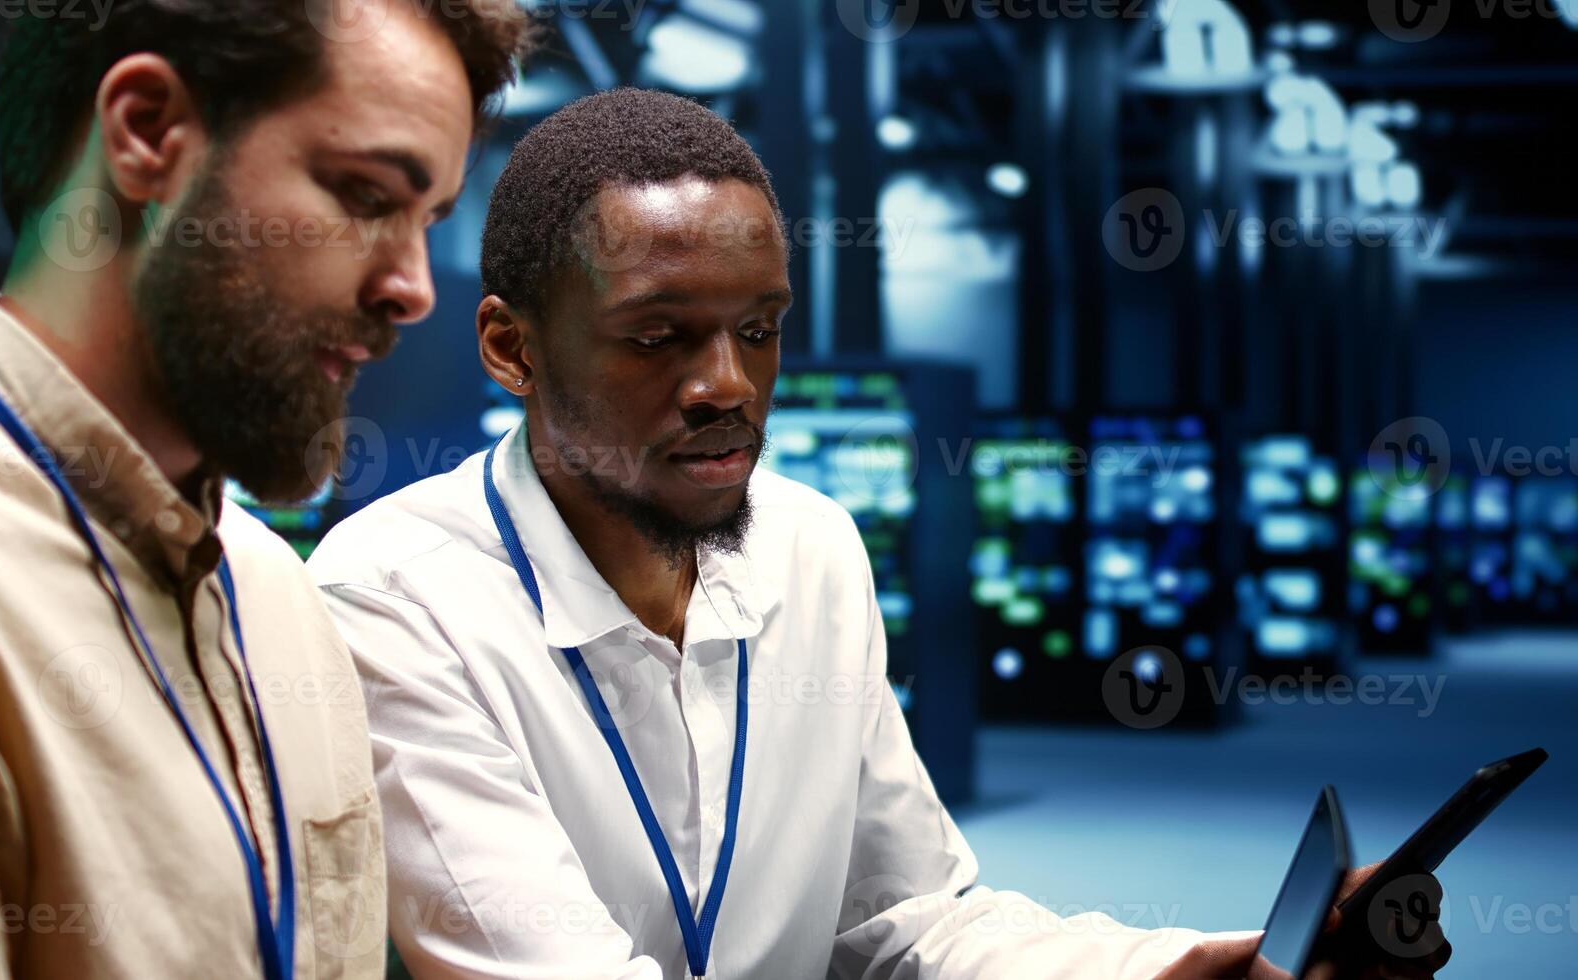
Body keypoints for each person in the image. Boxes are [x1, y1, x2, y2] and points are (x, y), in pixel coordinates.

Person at [308, 88, 1448, 979]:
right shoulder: (394, 594)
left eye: (758, 330)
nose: (727, 385)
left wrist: (1183, 963)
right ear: (509, 347)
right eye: (658, 335)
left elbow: (904, 921)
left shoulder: (811, 548)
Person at [0, 2, 530, 977]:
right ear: (147, 133)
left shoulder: (277, 598)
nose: (414, 288)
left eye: (428, 222)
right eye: (364, 193)